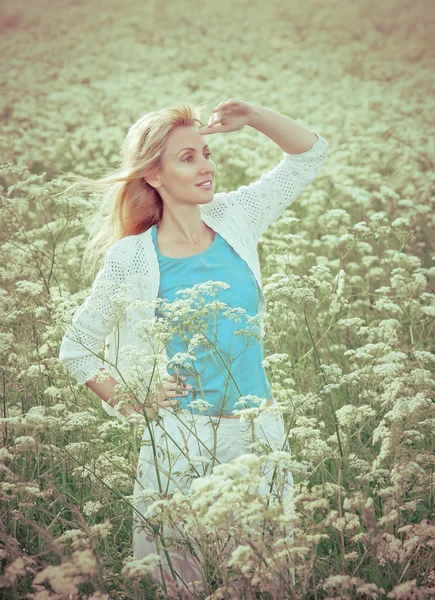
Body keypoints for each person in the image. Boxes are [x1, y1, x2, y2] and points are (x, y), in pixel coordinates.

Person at [58, 98, 329, 593]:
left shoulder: (235, 217)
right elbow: (77, 347)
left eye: (206, 153)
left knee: (269, 581)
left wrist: (255, 118)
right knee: (179, 580)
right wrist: (130, 397)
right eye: (188, 157)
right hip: (181, 442)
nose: (206, 166)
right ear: (154, 175)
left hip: (260, 435)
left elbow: (309, 157)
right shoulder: (133, 257)